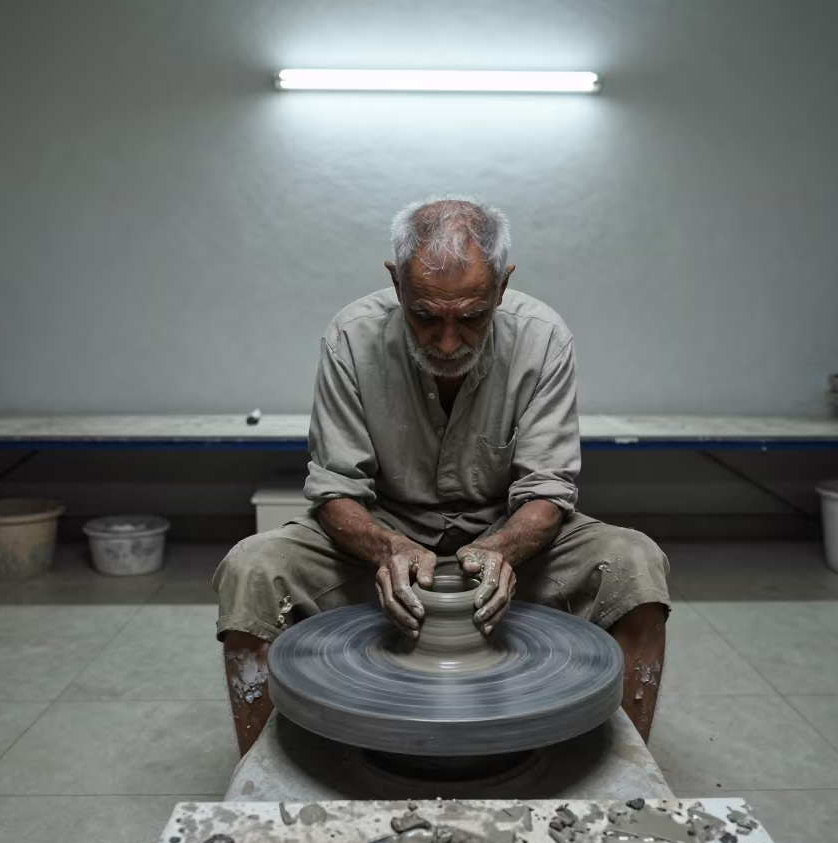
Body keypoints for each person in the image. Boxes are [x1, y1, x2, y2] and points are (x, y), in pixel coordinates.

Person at [214, 195, 670, 755]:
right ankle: (262, 787)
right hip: (383, 533)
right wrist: (386, 549)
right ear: (396, 282)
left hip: (508, 536)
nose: (448, 342)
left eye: (472, 317)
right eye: (426, 316)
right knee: (251, 569)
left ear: (502, 286)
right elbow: (335, 489)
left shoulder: (543, 338)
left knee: (635, 564)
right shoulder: (352, 338)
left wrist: (502, 549)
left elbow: (548, 490)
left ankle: (629, 780)